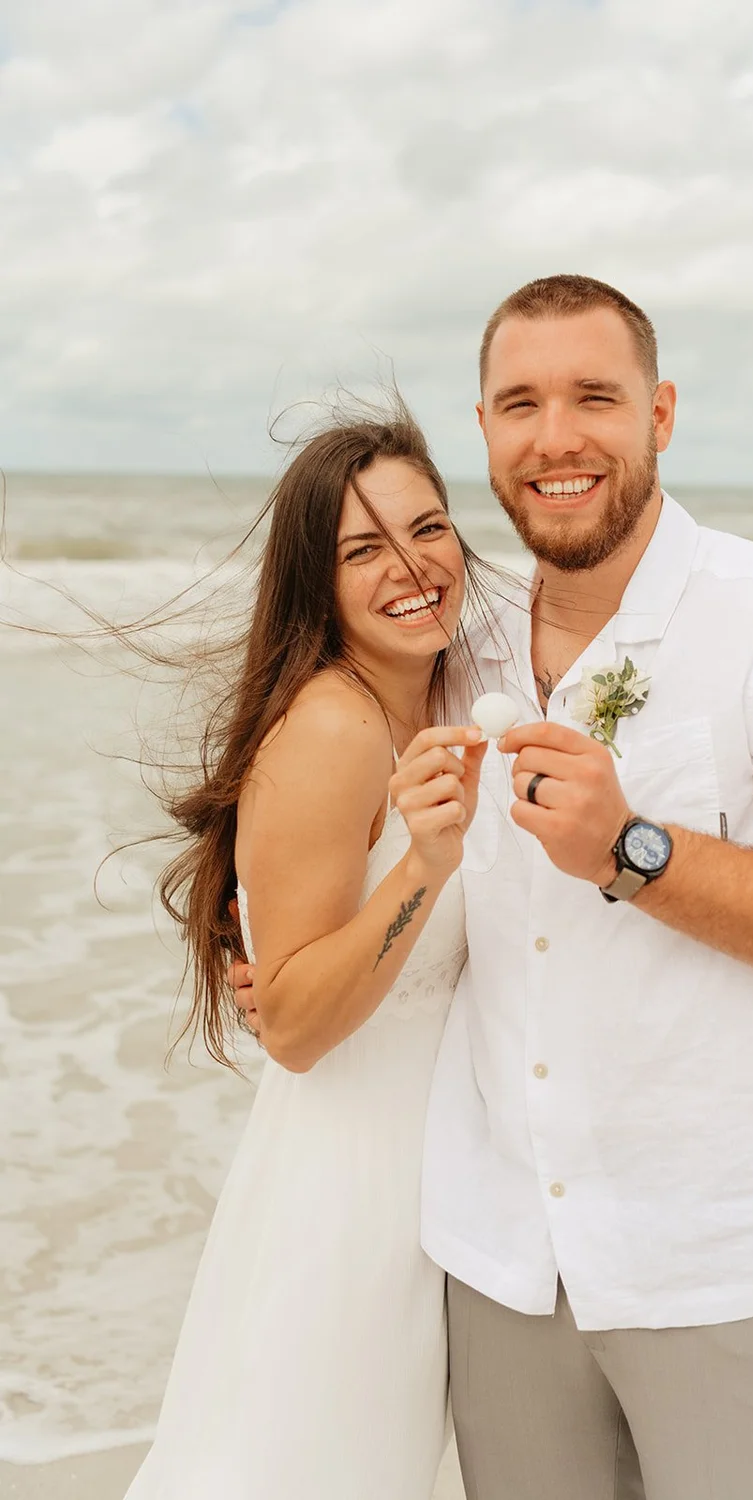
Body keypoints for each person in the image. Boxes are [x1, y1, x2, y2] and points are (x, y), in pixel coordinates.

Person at [235, 275, 753, 1500]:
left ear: (661, 413)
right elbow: (314, 768)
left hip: (729, 1272)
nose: (556, 436)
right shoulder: (453, 640)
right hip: (500, 1269)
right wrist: (248, 934)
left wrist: (639, 853)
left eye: (594, 397)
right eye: (521, 402)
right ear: (484, 432)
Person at [125, 407, 490, 1500]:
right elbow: (289, 1025)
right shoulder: (332, 728)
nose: (411, 567)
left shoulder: (450, 683)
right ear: (312, 581)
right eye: (362, 550)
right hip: (346, 1201)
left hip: (438, 1189)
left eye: (426, 529)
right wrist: (422, 866)